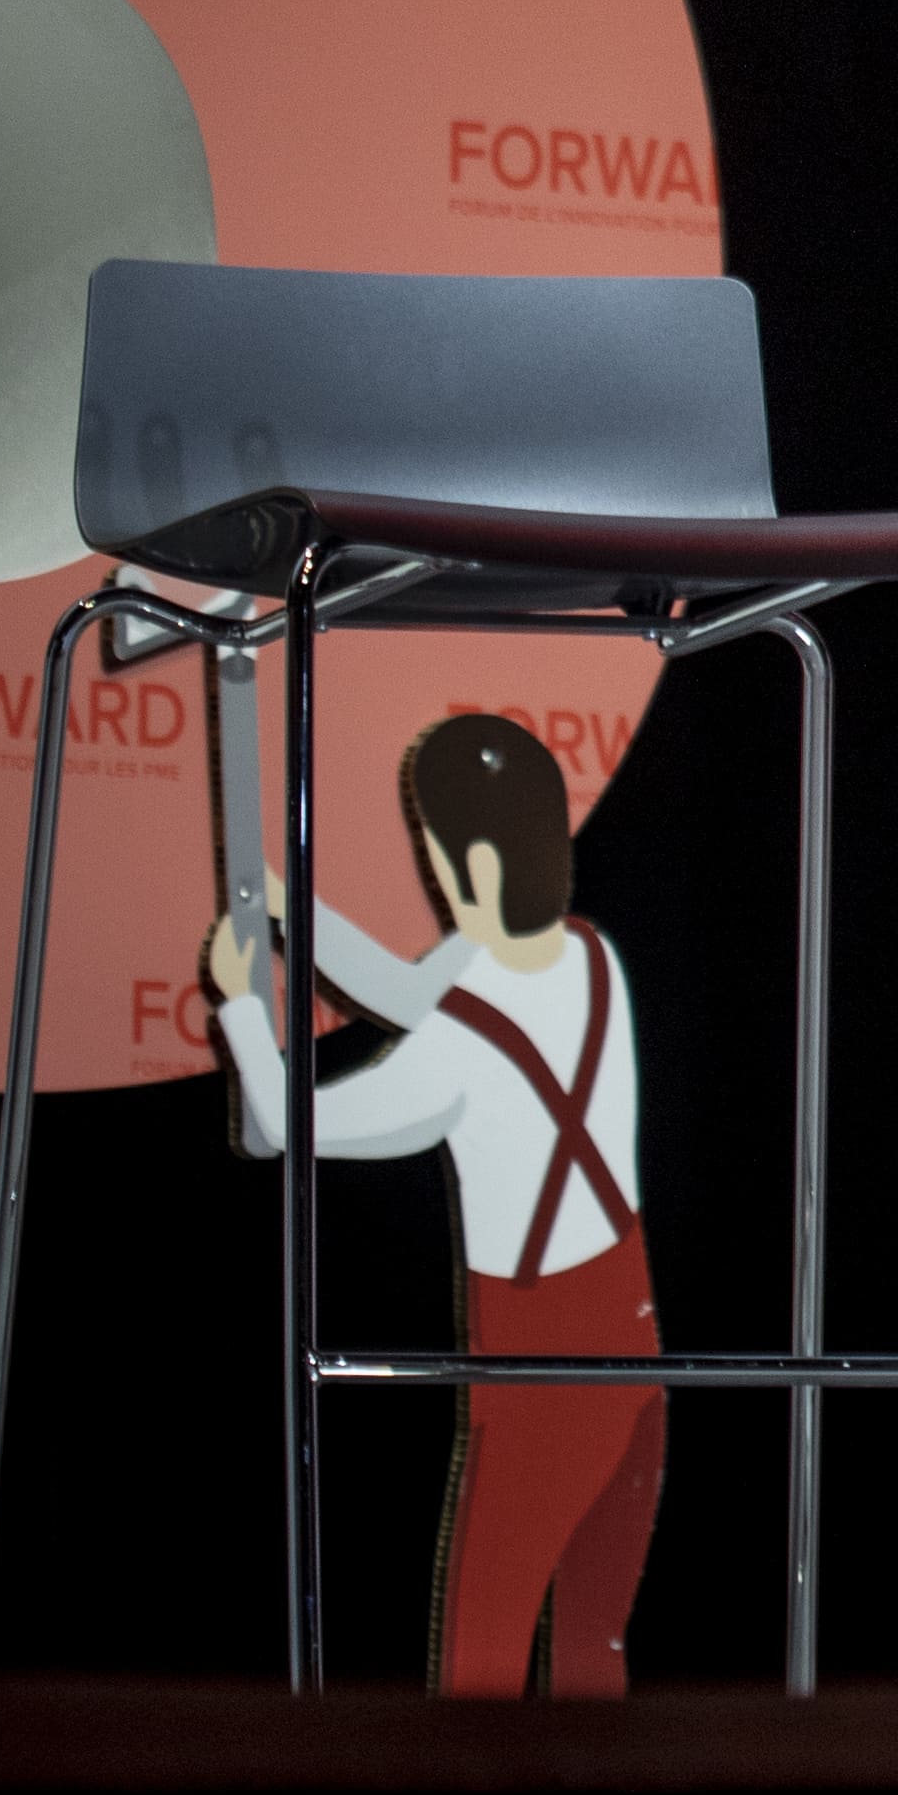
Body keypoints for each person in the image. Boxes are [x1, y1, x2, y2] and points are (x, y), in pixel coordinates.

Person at [207, 710, 663, 1697]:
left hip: (541, 1382)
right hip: (635, 1362)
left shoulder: (458, 1052)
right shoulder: (593, 958)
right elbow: (412, 992)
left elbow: (283, 1123)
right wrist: (291, 910)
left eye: (433, 851)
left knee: (477, 1677)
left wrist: (240, 1003)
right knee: (594, 1663)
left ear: (477, 867)